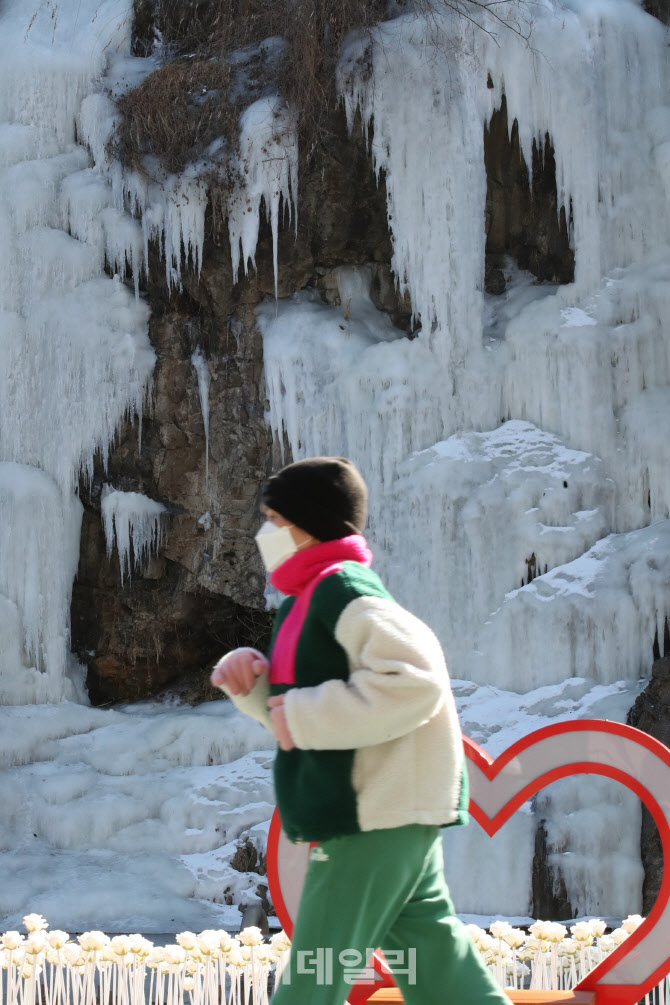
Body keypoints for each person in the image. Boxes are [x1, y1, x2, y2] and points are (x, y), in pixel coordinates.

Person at [211, 456, 509, 1005]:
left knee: (317, 971)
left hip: (372, 812)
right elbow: (299, 712)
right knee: (437, 968)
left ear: (311, 524)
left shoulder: (343, 589)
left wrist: (295, 712)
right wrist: (253, 688)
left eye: (276, 519)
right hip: (389, 810)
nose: (266, 533)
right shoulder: (303, 602)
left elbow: (415, 680)